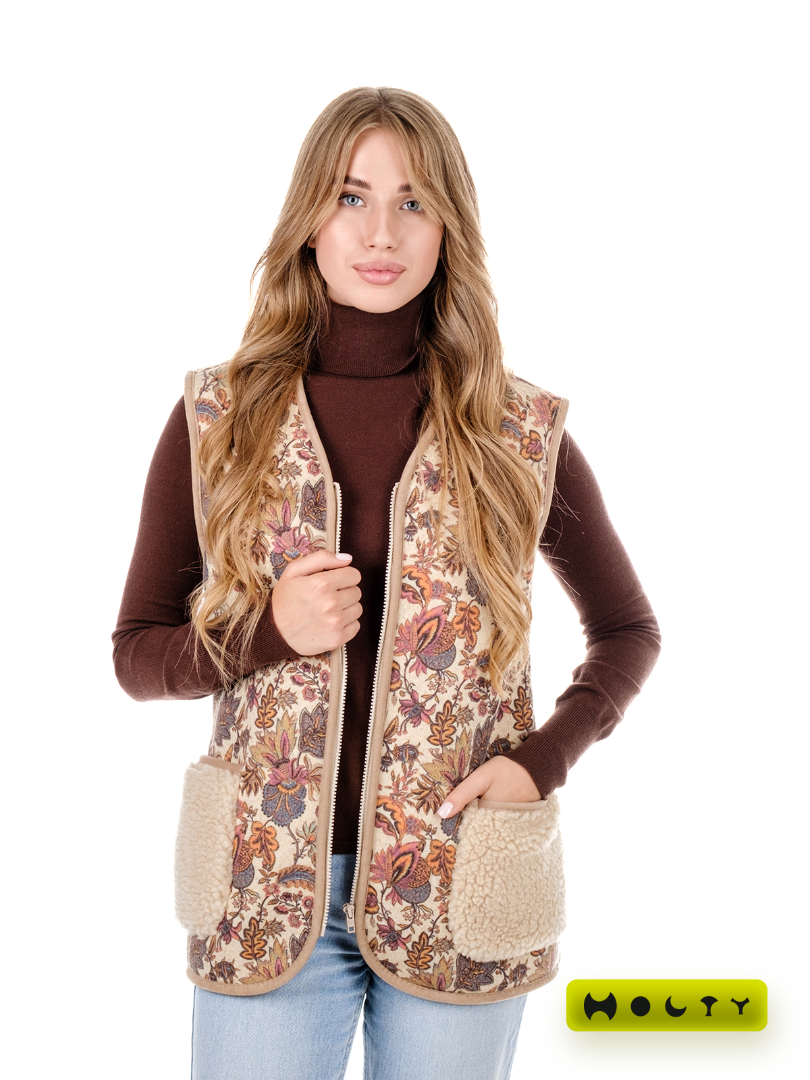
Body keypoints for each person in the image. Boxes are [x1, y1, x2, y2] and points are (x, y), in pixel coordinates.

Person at [113, 86, 661, 1080]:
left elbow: (627, 630)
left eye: (413, 202)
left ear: (449, 227)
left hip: (462, 880)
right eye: (350, 197)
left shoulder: (517, 430)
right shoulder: (216, 418)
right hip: (262, 881)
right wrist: (268, 631)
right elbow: (137, 656)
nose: (380, 232)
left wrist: (543, 760)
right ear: (307, 221)